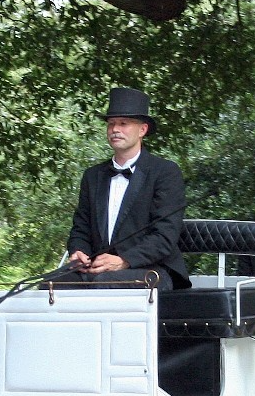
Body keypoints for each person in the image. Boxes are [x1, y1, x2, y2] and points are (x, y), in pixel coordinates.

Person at [65, 87, 190, 288]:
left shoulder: (165, 172)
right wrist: (79, 252)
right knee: (53, 284)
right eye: (112, 124)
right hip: (99, 269)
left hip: (153, 269)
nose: (115, 129)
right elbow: (81, 227)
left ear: (142, 130)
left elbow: (164, 236)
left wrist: (124, 260)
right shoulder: (93, 176)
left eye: (123, 124)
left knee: (104, 284)